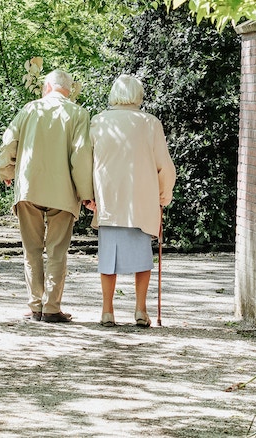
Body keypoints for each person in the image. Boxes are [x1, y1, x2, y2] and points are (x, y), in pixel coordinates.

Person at [0, 69, 94, 323]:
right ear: (69, 90)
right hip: (63, 192)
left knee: (31, 250)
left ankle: (35, 306)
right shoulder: (79, 114)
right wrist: (86, 194)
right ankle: (51, 308)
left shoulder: (29, 109)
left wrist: (6, 170)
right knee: (57, 251)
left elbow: (9, 142)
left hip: (29, 188)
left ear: (47, 87)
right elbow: (81, 155)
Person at [88, 74, 176, 327]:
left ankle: (107, 311)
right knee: (142, 258)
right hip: (141, 200)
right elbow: (165, 166)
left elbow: (87, 162)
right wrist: (163, 195)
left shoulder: (99, 122)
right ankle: (140, 310)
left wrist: (88, 195)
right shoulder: (150, 123)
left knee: (108, 258)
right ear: (138, 95)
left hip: (109, 199)